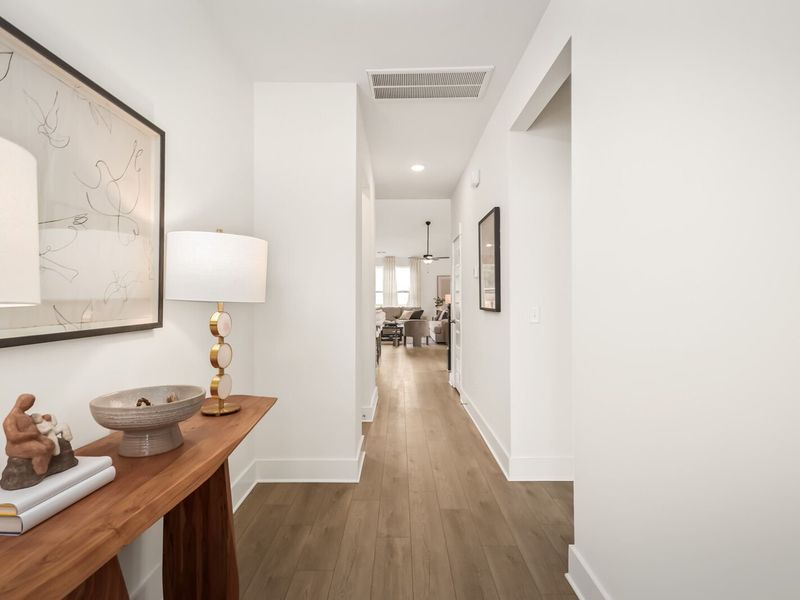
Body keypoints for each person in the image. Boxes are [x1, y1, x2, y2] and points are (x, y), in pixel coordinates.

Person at [3, 394, 55, 475]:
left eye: (32, 404)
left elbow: (34, 421)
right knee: (40, 449)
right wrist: (32, 434)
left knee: (50, 444)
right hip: (16, 445)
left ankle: (44, 465)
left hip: (33, 438)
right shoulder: (10, 419)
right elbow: (13, 437)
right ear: (23, 403)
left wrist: (44, 417)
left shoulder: (24, 415)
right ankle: (39, 471)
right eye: (30, 403)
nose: (30, 406)